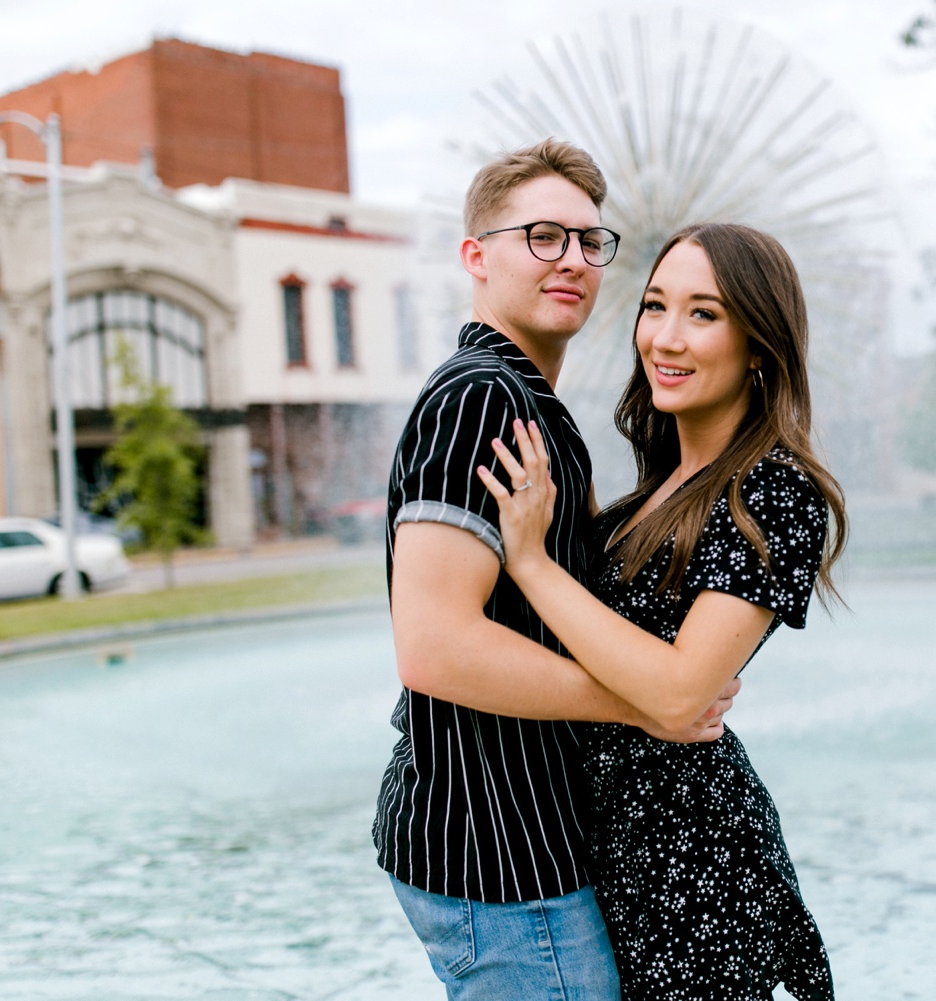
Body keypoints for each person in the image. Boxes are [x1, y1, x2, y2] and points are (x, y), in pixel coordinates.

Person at [374, 140, 740, 1000]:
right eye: (542, 236)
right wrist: (649, 701)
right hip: (501, 852)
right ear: (476, 256)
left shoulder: (531, 403)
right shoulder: (481, 397)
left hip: (521, 838)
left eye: (588, 240)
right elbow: (433, 647)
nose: (573, 258)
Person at [476, 222, 847, 1000]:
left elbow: (680, 691)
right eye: (654, 306)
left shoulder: (774, 492)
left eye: (703, 313)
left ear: (759, 344)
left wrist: (535, 565)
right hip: (615, 849)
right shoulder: (650, 497)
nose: (665, 338)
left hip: (691, 865)